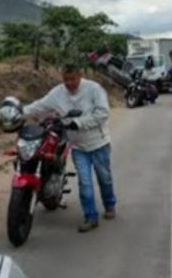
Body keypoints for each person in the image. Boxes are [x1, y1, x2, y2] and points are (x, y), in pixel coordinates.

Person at [24, 64, 115, 233]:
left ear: (80, 76)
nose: (69, 83)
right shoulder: (58, 92)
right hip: (78, 147)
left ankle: (110, 204)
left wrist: (78, 122)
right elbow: (40, 105)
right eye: (66, 79)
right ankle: (90, 216)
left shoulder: (94, 89)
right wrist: (18, 112)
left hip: (99, 143)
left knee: (105, 179)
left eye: (72, 79)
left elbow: (103, 113)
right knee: (84, 183)